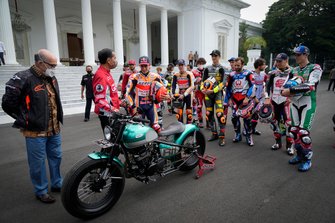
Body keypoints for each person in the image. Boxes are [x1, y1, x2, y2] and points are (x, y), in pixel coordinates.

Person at [2, 49, 63, 203]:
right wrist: (24, 119)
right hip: (35, 131)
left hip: (54, 129)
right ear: (40, 63)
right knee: (37, 163)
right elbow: (8, 103)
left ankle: (57, 183)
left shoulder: (51, 77)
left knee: (56, 157)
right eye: (52, 65)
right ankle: (41, 190)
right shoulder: (23, 78)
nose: (54, 68)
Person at [281, 45, 323, 172]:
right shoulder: (293, 70)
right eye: (295, 54)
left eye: (299, 54)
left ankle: (307, 160)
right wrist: (286, 91)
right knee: (294, 131)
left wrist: (290, 90)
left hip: (308, 102)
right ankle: (299, 156)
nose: (296, 57)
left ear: (306, 55)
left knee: (304, 133)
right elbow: (284, 87)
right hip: (294, 102)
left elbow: (311, 85)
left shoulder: (315, 67)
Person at [264, 53, 294, 155]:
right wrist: (267, 98)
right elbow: (267, 87)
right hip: (274, 101)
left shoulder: (292, 72)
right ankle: (277, 143)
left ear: (286, 60)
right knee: (274, 122)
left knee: (289, 124)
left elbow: (297, 87)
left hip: (286, 102)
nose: (277, 63)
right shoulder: (273, 73)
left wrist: (291, 97)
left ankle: (289, 146)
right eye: (276, 61)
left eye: (280, 61)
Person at [126, 56, 164, 132]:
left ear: (149, 65)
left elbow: (163, 90)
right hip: (139, 107)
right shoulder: (134, 77)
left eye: (145, 66)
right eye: (142, 66)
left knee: (156, 128)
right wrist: (133, 106)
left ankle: (156, 143)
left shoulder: (156, 76)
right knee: (139, 130)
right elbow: (128, 93)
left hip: (151, 106)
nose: (143, 68)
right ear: (139, 66)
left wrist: (162, 99)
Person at [225, 57, 254, 146]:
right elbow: (228, 87)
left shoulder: (248, 73)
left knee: (247, 118)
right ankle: (237, 134)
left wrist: (247, 97)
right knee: (234, 117)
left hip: (244, 100)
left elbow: (252, 86)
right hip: (234, 99)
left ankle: (249, 136)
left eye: (238, 65)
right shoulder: (231, 75)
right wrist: (228, 99)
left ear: (242, 64)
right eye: (235, 65)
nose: (236, 67)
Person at [201, 50, 227, 146]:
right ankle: (214, 133)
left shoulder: (223, 68)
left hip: (217, 94)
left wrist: (213, 90)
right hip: (208, 94)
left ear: (219, 57)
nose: (213, 57)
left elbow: (223, 83)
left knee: (220, 114)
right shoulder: (207, 68)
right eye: (212, 56)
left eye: (215, 56)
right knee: (208, 114)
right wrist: (202, 89)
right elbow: (203, 81)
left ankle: (222, 137)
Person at [93, 48, 120, 131]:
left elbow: (110, 95)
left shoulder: (107, 73)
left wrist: (121, 102)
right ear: (108, 60)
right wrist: (114, 109)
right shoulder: (101, 75)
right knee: (112, 140)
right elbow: (100, 99)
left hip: (111, 113)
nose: (116, 60)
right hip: (107, 114)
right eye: (114, 58)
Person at [171, 59, 195, 124]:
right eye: (179, 65)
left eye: (182, 65)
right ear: (177, 66)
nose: (180, 66)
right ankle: (180, 127)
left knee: (189, 113)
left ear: (184, 65)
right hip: (180, 94)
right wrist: (172, 94)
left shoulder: (189, 74)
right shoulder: (176, 75)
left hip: (188, 94)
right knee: (179, 113)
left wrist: (184, 94)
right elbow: (173, 86)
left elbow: (192, 86)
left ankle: (189, 127)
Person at [250, 58, 267, 135]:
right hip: (253, 98)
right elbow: (251, 87)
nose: (264, 66)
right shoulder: (252, 74)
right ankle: (246, 129)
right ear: (259, 66)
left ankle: (253, 129)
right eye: (263, 64)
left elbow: (266, 84)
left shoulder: (264, 74)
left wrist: (264, 93)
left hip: (260, 98)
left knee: (256, 114)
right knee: (249, 114)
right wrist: (254, 97)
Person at [192, 57, 207, 127]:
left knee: (208, 107)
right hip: (198, 92)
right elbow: (192, 82)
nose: (200, 65)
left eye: (202, 63)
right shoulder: (194, 72)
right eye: (199, 63)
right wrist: (196, 80)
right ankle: (200, 120)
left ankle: (209, 121)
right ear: (197, 64)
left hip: (206, 91)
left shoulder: (207, 70)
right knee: (199, 107)